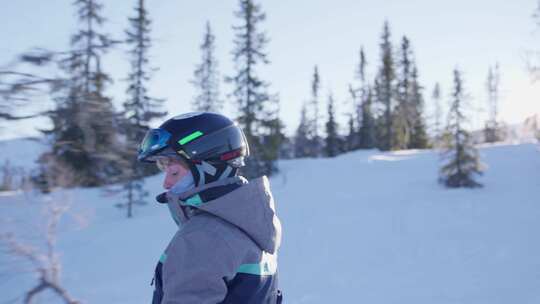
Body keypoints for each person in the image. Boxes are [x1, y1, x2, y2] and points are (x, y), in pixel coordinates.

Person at [137, 112, 283, 304]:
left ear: (207, 167)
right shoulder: (251, 225)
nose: (166, 183)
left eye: (173, 171)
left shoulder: (202, 238)